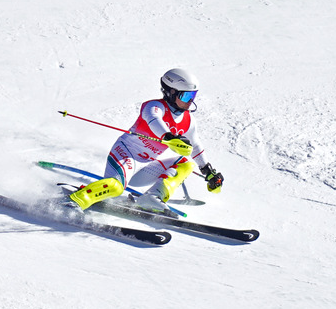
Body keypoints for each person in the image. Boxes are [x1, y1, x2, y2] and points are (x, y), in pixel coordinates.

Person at [67, 68, 224, 214]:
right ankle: (75, 201)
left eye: (193, 96)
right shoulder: (154, 106)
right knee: (115, 187)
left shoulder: (189, 121)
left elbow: (196, 146)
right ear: (171, 92)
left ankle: (152, 197)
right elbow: (154, 120)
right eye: (186, 96)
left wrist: (208, 172)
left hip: (146, 166)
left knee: (186, 164)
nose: (190, 101)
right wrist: (168, 137)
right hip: (125, 155)